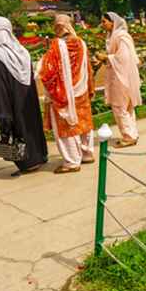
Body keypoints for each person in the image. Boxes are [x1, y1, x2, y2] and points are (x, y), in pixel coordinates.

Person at [0, 17, 48, 176]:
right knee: (31, 127)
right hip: (28, 102)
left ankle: (27, 164)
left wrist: (2, 113)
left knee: (18, 131)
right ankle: (38, 157)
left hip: (12, 104)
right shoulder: (23, 51)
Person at [39, 14, 95, 174]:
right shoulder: (81, 43)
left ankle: (71, 162)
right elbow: (88, 67)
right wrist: (89, 86)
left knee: (66, 126)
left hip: (62, 93)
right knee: (83, 123)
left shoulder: (57, 45)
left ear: (57, 27)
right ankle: (87, 153)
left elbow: (48, 71)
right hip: (82, 89)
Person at [96, 12, 141, 147]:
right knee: (125, 107)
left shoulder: (121, 36)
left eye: (104, 21)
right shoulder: (113, 36)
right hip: (117, 74)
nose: (102, 24)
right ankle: (132, 133)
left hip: (122, 77)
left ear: (112, 22)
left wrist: (106, 57)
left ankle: (128, 137)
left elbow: (124, 58)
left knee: (119, 106)